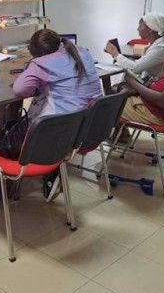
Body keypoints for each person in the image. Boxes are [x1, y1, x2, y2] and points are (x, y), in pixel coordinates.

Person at [13, 29, 103, 201]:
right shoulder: (81, 51)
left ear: (37, 53)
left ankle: (47, 164)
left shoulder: (42, 63)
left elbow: (19, 90)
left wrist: (32, 68)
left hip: (62, 131)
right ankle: (54, 168)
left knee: (34, 108)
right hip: (90, 126)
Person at [105, 12, 164, 79]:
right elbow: (141, 63)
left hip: (155, 86)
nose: (138, 29)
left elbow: (135, 68)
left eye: (140, 25)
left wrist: (116, 54)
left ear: (150, 29)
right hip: (152, 81)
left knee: (122, 83)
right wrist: (117, 56)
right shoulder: (158, 44)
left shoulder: (162, 48)